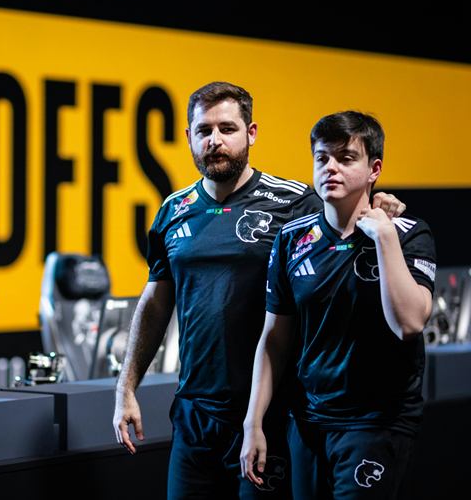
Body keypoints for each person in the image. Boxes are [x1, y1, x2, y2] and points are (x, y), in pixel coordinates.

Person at [113, 83, 405, 499]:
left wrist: (381, 204)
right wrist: (126, 387)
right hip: (194, 416)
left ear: (251, 133)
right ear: (189, 137)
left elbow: (350, 221)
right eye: (204, 130)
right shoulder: (172, 211)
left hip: (272, 415)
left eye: (227, 128)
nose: (215, 140)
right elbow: (156, 304)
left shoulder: (295, 203)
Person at [240, 111, 435, 499]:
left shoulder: (407, 234)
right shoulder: (292, 238)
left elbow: (410, 324)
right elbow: (274, 340)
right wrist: (253, 422)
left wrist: (383, 236)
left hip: (377, 422)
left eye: (346, 158)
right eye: (322, 158)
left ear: (374, 169)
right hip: (309, 420)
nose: (331, 167)